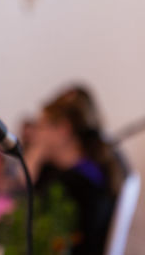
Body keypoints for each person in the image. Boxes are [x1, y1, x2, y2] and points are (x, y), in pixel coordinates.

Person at [25, 86, 126, 254]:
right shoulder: (78, 171)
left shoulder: (77, 183)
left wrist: (34, 155)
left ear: (63, 130)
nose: (36, 134)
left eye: (42, 126)